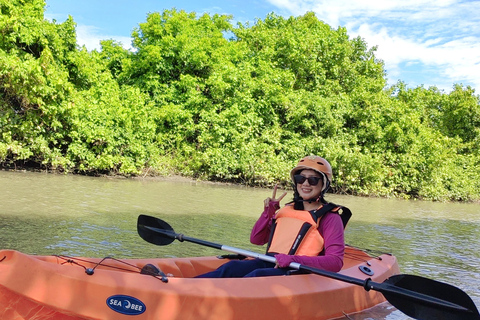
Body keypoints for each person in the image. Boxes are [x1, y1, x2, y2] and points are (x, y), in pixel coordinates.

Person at [196, 155, 350, 278]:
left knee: (256, 276)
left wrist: (293, 259)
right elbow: (256, 239)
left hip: (298, 271)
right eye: (300, 179)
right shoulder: (287, 210)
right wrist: (268, 213)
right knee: (231, 267)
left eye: (313, 180)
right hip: (271, 261)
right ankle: (186, 287)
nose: (305, 184)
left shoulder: (330, 217)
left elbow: (335, 262)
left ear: (323, 185)